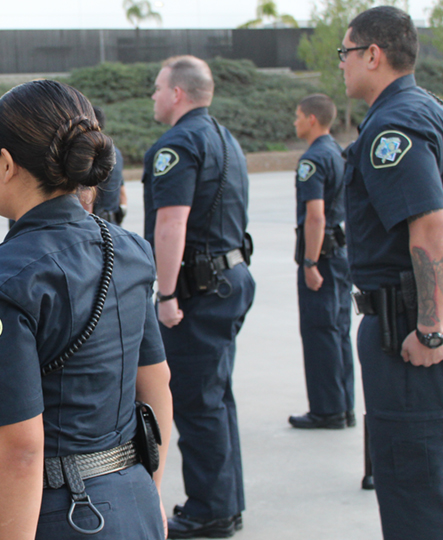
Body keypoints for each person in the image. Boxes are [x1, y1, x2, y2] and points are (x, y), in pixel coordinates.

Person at [0, 79, 173, 540]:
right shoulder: (127, 250)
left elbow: (20, 449)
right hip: (131, 499)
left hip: (51, 517)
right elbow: (157, 384)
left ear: (6, 165)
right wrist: (150, 495)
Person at [339, 7, 443, 539]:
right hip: (438, 317)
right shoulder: (436, 110)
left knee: (416, 486)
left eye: (345, 53)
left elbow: (436, 227)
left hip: (412, 330)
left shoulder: (391, 125)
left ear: (373, 55)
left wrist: (430, 329)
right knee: (441, 474)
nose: (342, 66)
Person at [143, 56, 254, 538]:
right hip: (229, 279)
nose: (153, 95)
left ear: (178, 94)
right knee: (217, 396)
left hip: (198, 292)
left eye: (157, 87)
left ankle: (210, 509)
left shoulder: (179, 143)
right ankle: (226, 503)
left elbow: (171, 224)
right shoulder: (226, 138)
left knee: (197, 401)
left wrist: (166, 294)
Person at [288, 94, 355, 430]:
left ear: (312, 119)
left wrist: (310, 262)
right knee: (339, 329)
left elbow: (315, 217)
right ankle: (345, 406)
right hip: (341, 253)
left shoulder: (312, 159)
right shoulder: (337, 152)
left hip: (322, 256)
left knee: (320, 332)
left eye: (298, 116)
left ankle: (327, 410)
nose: (295, 122)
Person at [91, 106, 128, 225]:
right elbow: (122, 192)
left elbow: (88, 194)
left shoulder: (92, 152)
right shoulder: (115, 151)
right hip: (114, 222)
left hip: (97, 223)